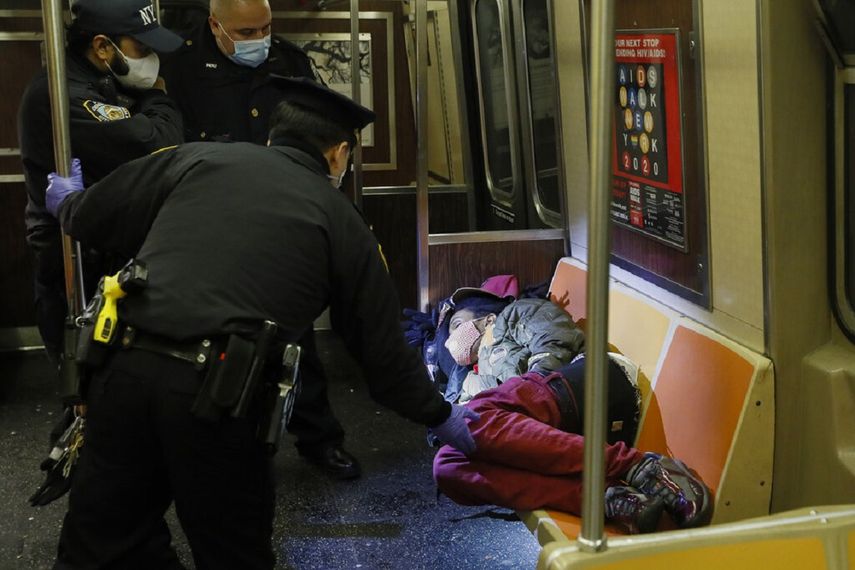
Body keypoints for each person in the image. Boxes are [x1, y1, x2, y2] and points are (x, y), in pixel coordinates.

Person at [44, 77, 479, 569]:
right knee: (234, 553)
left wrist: (69, 202)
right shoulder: (343, 222)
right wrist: (441, 417)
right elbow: (381, 354)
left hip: (120, 372)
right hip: (218, 397)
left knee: (101, 546)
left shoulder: (195, 158)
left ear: (272, 138)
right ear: (337, 155)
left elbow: (93, 214)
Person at [160, 0, 360, 479]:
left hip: (278, 217)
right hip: (211, 217)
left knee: (294, 334)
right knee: (212, 342)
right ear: (215, 25)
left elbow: (316, 131)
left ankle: (319, 438)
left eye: (266, 27)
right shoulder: (180, 66)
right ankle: (216, 448)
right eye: (247, 30)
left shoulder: (289, 62)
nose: (259, 38)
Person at [426, 296, 713, 534]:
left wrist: (529, 382)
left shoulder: (512, 317)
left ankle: (640, 467)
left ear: (487, 319)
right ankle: (606, 498)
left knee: (475, 413)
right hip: (553, 435)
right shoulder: (473, 378)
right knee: (447, 465)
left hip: (585, 382)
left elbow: (555, 341)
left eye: (458, 324)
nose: (453, 337)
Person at [17, 0, 184, 364]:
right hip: (76, 252)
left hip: (106, 237)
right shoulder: (64, 96)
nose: (151, 57)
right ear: (103, 46)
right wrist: (158, 96)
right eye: (141, 47)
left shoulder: (104, 79)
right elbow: (159, 144)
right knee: (85, 371)